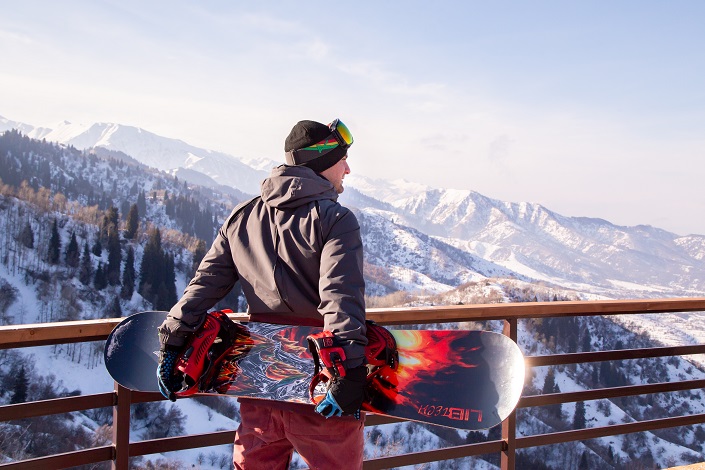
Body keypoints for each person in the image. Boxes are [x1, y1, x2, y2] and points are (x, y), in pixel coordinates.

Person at [156, 118, 368, 469]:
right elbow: (340, 298)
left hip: (259, 381)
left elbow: (205, 283)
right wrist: (348, 373)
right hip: (319, 383)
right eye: (342, 159)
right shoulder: (334, 219)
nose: (347, 169)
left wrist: (173, 339)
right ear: (321, 161)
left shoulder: (242, 217)